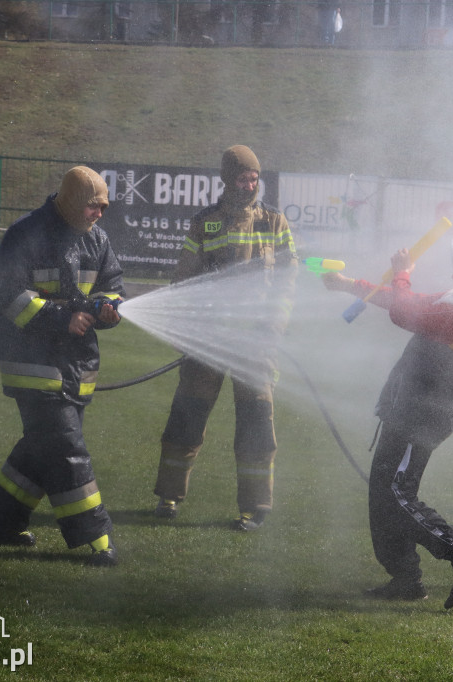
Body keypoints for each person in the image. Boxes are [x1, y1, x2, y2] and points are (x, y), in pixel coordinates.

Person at [322, 233, 453, 609]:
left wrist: (403, 272)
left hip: (421, 419)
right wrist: (348, 285)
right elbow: (402, 301)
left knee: (396, 495)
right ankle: (405, 579)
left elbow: (405, 312)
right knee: (384, 495)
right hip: (405, 411)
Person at [0, 166, 126, 567]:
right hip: (31, 363)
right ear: (72, 201)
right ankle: (95, 537)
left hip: (76, 364)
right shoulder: (26, 233)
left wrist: (107, 308)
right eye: (93, 206)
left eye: (103, 207)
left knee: (40, 448)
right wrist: (60, 319)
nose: (99, 214)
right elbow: (9, 295)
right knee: (66, 448)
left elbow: (112, 286)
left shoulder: (98, 240)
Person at [152, 145, 297, 531]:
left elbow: (288, 280)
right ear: (228, 180)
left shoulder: (274, 222)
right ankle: (169, 496)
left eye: (254, 178)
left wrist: (274, 327)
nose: (250, 185)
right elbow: (183, 280)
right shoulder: (205, 223)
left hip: (255, 346)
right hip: (209, 342)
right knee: (187, 416)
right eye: (243, 178)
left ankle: (255, 507)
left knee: (256, 424)